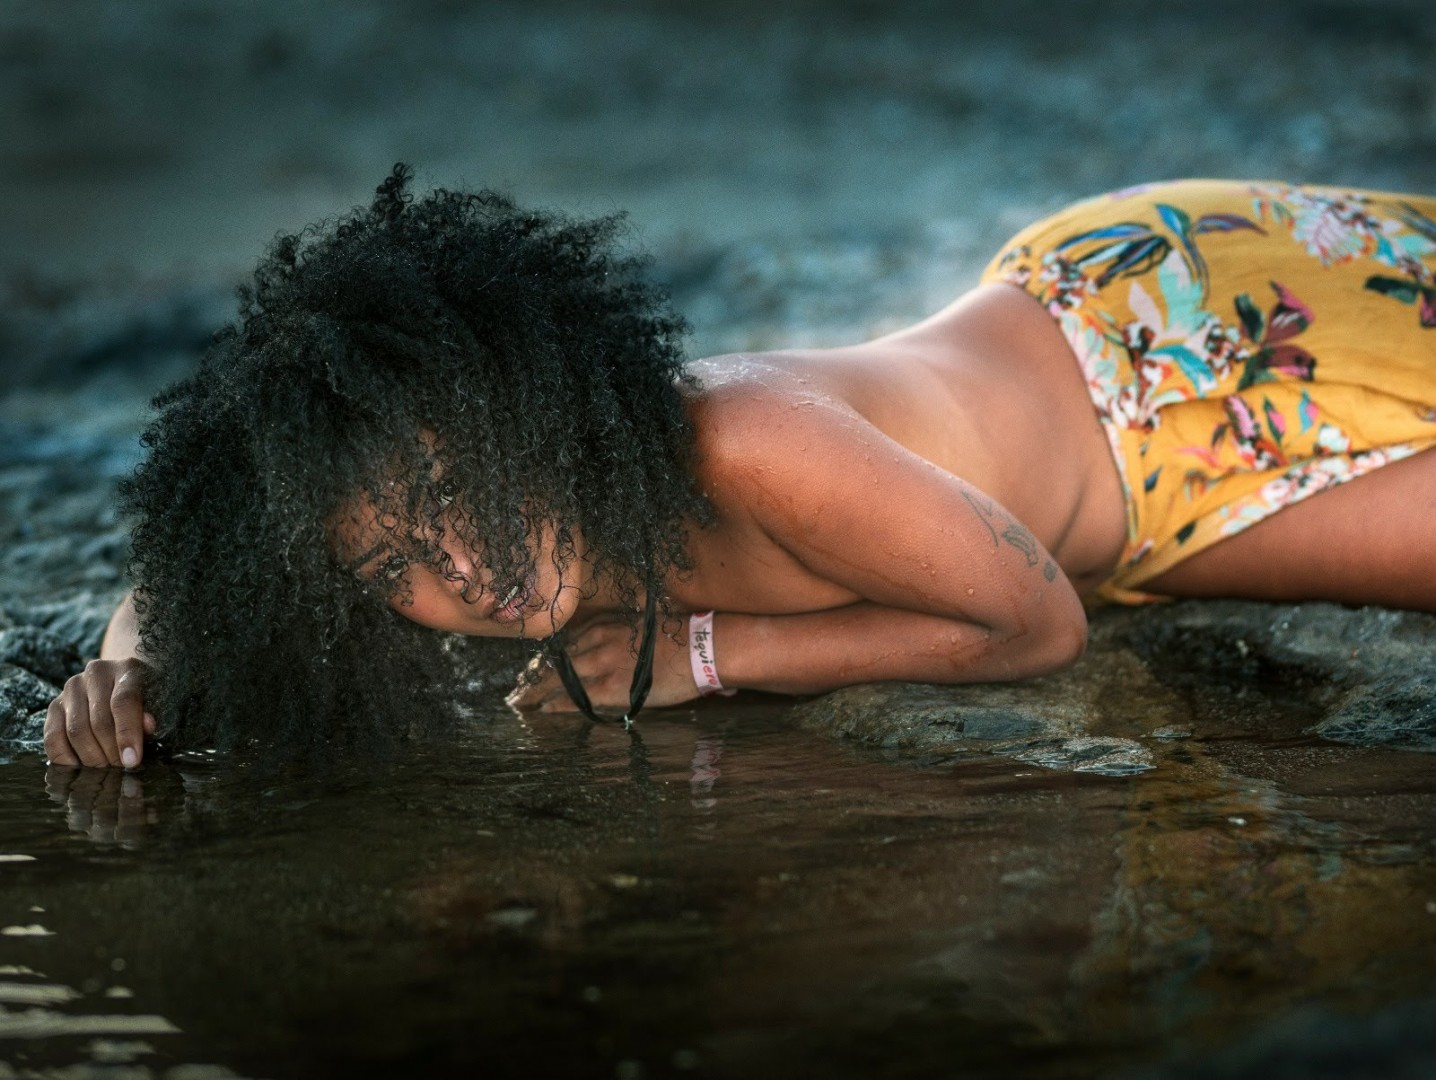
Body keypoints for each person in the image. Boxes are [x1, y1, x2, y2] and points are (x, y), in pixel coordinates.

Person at [44, 167, 1436, 769]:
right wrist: (128, 668)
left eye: (458, 496)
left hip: (1170, 367)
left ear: (531, 405)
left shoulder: (737, 439)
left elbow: (1036, 626)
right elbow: (183, 574)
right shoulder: (458, 554)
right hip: (1116, 428)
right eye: (395, 562)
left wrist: (711, 654)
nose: (465, 567)